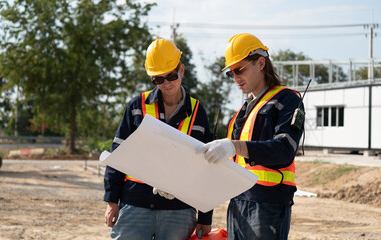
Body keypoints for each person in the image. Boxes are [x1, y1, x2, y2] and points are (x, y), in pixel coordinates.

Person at [197, 33, 304, 240]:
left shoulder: (287, 100)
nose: (236, 78)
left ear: (261, 63)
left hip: (269, 204)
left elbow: (284, 149)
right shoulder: (242, 113)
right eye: (231, 73)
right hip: (238, 202)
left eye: (240, 70)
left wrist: (236, 146)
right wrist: (178, 184)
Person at [103, 38, 213, 240]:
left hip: (179, 209)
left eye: (171, 75)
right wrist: (111, 200)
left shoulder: (197, 111)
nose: (166, 83)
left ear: (181, 69)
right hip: (135, 204)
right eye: (158, 79)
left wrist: (205, 216)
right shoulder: (137, 106)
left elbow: (206, 167)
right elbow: (117, 152)